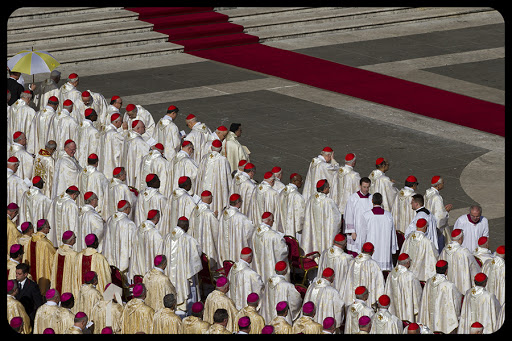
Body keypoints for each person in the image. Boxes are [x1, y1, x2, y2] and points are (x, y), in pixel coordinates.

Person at [162, 216, 203, 317]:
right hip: (183, 277)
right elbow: (197, 255)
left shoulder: (167, 237)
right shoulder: (189, 240)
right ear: (187, 227)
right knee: (187, 293)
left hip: (168, 275)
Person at [417, 260, 463, 334]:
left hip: (429, 318)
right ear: (446, 270)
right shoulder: (449, 285)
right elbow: (457, 301)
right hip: (442, 319)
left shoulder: (428, 282)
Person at [302, 179, 342, 255]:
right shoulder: (328, 201)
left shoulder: (311, 199)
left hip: (313, 228)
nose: (329, 189)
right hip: (324, 231)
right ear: (325, 189)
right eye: (328, 187)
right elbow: (336, 218)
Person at [362, 192, 398, 271]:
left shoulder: (366, 215)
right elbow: (393, 233)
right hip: (384, 249)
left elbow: (363, 234)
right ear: (381, 201)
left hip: (371, 249)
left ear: (372, 201)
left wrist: (362, 246)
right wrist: (393, 247)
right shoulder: (388, 215)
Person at [194, 139, 232, 215]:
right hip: (216, 189)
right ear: (221, 149)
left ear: (211, 148)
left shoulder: (204, 158)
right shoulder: (223, 160)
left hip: (203, 189)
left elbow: (199, 175)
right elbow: (227, 177)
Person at [438, 229, 481, 295]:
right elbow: (474, 268)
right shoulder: (464, 252)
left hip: (447, 285)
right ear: (460, 238)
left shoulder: (444, 250)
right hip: (462, 286)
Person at [217, 193, 255, 264]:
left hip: (225, 248)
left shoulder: (223, 215)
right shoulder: (241, 218)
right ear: (238, 202)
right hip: (236, 247)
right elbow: (249, 233)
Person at [384, 253, 423, 323]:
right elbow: (418, 294)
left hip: (393, 309)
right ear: (408, 262)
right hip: (406, 311)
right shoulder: (410, 275)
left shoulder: (391, 274)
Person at [251, 212, 289, 283]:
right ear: (269, 221)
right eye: (273, 221)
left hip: (258, 263)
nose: (273, 223)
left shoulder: (255, 232)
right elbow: (283, 251)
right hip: (269, 265)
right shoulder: (274, 236)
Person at [102, 200, 137, 275]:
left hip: (110, 257)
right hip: (123, 261)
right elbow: (134, 244)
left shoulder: (110, 220)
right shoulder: (129, 224)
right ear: (127, 209)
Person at [317, 233, 354, 302]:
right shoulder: (346, 258)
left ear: (333, 241)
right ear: (345, 244)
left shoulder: (324, 253)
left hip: (323, 290)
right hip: (338, 291)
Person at [189, 190, 220, 268]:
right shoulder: (209, 214)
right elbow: (216, 231)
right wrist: (215, 217)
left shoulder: (194, 210)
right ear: (210, 199)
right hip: (207, 243)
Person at [131, 210, 164, 281]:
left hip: (138, 268)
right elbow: (160, 254)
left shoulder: (138, 230)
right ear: (157, 219)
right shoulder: (155, 234)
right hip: (150, 271)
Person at [25, 219, 56, 295]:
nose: (49, 229)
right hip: (43, 273)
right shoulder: (45, 243)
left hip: (32, 272)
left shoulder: (30, 240)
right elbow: (54, 258)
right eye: (49, 227)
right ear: (44, 228)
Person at [343, 177, 373, 256]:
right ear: (360, 186)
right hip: (356, 229)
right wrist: (352, 231)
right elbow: (348, 215)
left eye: (367, 187)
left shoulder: (371, 198)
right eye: (364, 187)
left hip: (368, 229)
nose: (366, 189)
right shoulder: (353, 198)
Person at [50, 231, 80, 299]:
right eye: (75, 237)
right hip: (69, 284)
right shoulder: (74, 254)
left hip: (58, 284)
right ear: (72, 240)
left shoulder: (58, 251)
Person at [424, 175, 453, 247]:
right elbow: (440, 217)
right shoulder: (437, 198)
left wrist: (443, 209)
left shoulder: (427, 194)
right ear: (438, 185)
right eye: (443, 183)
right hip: (436, 229)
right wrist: (446, 212)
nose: (444, 184)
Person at [123, 119, 151, 187]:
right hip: (137, 167)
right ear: (138, 129)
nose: (145, 128)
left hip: (129, 165)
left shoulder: (128, 137)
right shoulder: (138, 141)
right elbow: (147, 153)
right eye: (143, 127)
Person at [279, 172, 305, 239]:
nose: (302, 183)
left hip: (282, 226)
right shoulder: (297, 196)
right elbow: (301, 215)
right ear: (294, 181)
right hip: (294, 229)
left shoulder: (282, 192)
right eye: (300, 181)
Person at [98, 112, 125, 179]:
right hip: (112, 159)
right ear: (117, 122)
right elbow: (124, 142)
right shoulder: (114, 134)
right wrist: (125, 131)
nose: (122, 123)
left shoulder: (104, 131)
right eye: (121, 121)